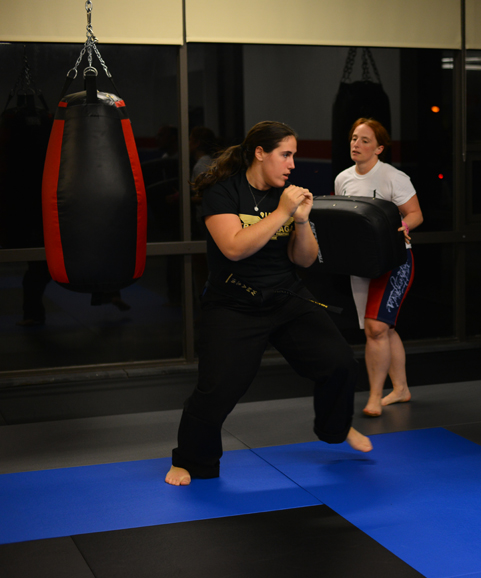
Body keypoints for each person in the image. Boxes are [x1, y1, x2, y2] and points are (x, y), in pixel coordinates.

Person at [165, 121, 371, 486]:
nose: (292, 164)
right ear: (260, 153)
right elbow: (233, 246)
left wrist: (303, 222)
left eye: (294, 156)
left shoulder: (288, 197)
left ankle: (336, 429)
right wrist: (282, 213)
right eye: (285, 155)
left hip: (285, 298)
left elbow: (305, 260)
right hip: (233, 304)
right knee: (218, 388)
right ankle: (189, 460)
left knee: (340, 363)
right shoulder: (223, 193)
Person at [333, 118, 423, 418]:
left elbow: (415, 214)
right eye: (354, 139)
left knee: (375, 328)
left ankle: (374, 397)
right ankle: (401, 389)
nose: (356, 145)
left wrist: (404, 226)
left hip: (394, 261)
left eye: (365, 140)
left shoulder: (393, 177)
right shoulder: (342, 178)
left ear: (379, 148)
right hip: (360, 262)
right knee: (383, 328)